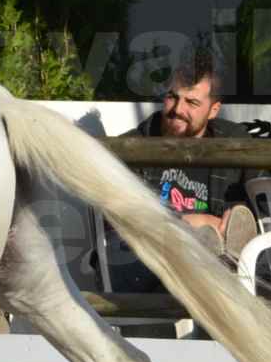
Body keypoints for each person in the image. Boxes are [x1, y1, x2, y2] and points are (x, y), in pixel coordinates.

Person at [108, 48, 260, 290]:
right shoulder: (132, 147)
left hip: (212, 265)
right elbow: (120, 216)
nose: (178, 109)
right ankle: (206, 251)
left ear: (213, 110)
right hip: (145, 260)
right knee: (199, 248)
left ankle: (215, 251)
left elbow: (265, 179)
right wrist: (194, 220)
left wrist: (238, 210)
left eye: (191, 102)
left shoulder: (231, 142)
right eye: (172, 96)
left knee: (223, 248)